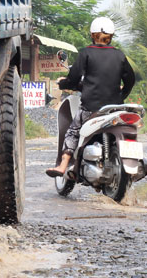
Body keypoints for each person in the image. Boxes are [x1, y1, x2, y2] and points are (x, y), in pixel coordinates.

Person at [46, 17, 136, 178]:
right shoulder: (119, 55)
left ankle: (63, 165)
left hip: (91, 109)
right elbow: (130, 80)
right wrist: (121, 96)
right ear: (111, 36)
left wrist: (63, 84)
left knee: (73, 131)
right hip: (114, 109)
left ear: (92, 35)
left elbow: (74, 80)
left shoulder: (86, 53)